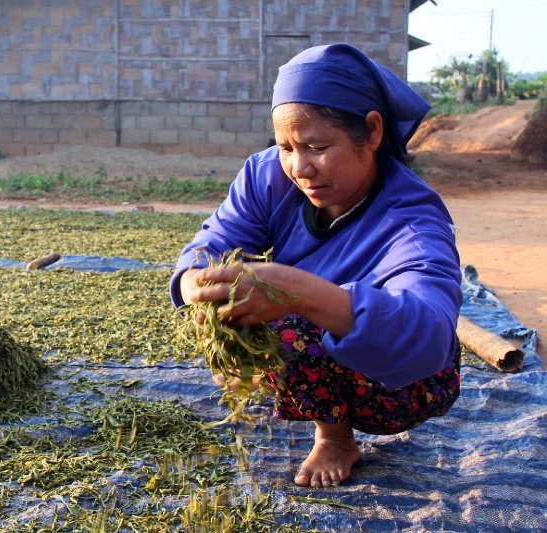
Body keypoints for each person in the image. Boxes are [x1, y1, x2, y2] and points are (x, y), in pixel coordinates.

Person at [170, 43, 462, 488]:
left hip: (401, 383)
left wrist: (301, 291)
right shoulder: (266, 176)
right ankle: (321, 409)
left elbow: (429, 338)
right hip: (316, 356)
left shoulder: (411, 222)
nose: (299, 167)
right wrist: (195, 279)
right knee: (258, 312)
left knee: (289, 321)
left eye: (316, 146)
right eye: (286, 147)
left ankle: (336, 438)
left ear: (372, 131)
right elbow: (215, 241)